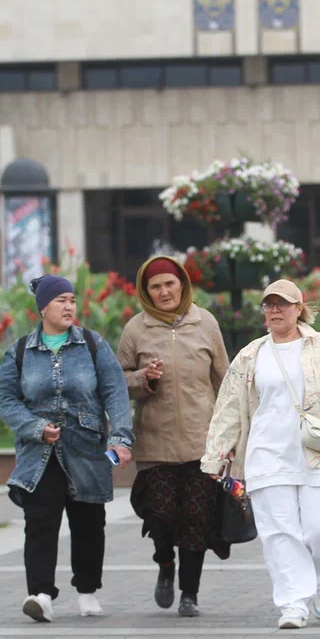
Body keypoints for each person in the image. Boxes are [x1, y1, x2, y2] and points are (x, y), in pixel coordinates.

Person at [202, 280, 320, 629]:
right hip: (267, 455)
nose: (274, 311)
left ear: (300, 308)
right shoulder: (251, 355)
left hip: (319, 452)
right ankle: (293, 602)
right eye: (269, 305)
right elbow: (227, 408)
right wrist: (216, 456)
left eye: (282, 304)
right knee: (279, 532)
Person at [0, 274, 134, 623]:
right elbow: (4, 397)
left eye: (71, 299)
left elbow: (115, 392)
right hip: (39, 451)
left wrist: (120, 437)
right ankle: (40, 594)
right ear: (43, 308)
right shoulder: (21, 351)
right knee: (40, 521)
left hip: (86, 446)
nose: (69, 306)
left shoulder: (93, 344)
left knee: (88, 521)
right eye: (61, 300)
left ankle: (87, 590)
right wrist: (35, 427)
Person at [118, 256, 231, 618]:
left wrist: (232, 434)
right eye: (155, 286)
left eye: (170, 283)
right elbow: (117, 381)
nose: (164, 292)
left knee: (197, 518)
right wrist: (142, 378)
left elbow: (224, 380)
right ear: (145, 292)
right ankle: (165, 562)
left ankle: (190, 593)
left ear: (181, 284)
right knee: (163, 514)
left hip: (203, 440)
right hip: (156, 441)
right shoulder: (136, 330)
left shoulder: (206, 322)